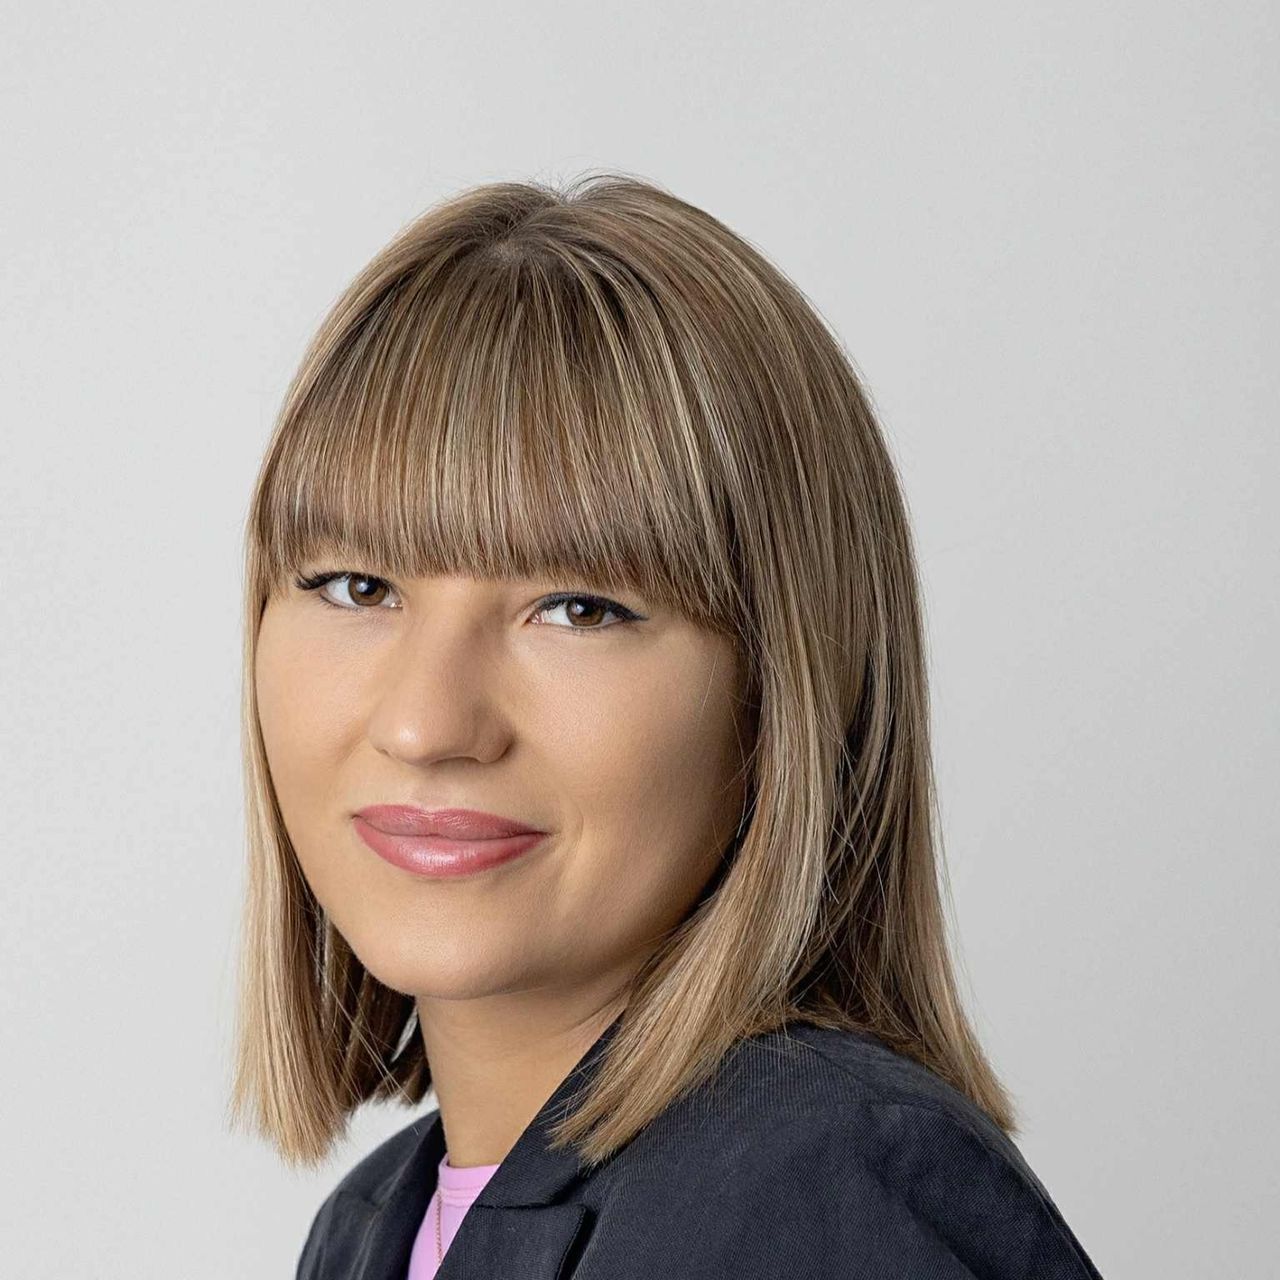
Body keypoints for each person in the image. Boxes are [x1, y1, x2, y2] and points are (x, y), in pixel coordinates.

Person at [229, 171, 1105, 1279]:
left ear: (780, 692)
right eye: (357, 587)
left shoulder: (812, 1196)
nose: (425, 722)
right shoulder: (369, 1227)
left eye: (579, 608)